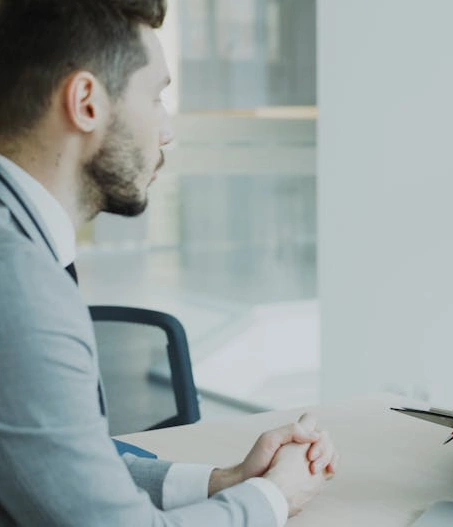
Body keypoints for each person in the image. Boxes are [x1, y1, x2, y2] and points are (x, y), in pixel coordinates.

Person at [0, 1, 336, 524]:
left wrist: (222, 482)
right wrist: (274, 497)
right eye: (156, 96)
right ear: (86, 101)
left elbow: (58, 467)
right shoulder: (18, 281)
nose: (168, 130)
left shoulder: (19, 241)